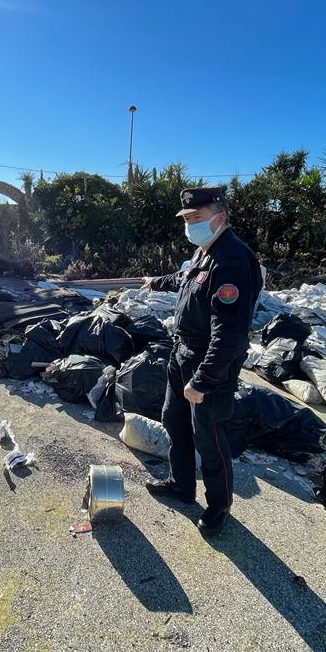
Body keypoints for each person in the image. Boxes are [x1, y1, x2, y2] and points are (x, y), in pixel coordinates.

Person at [142, 186, 262, 536]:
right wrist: (156, 282)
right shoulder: (204, 252)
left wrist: (204, 380)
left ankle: (219, 507)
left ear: (219, 218)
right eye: (186, 219)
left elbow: (231, 333)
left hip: (208, 363)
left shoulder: (234, 260)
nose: (189, 225)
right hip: (182, 353)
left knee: (208, 435)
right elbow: (185, 279)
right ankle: (181, 484)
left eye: (196, 218)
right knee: (173, 420)